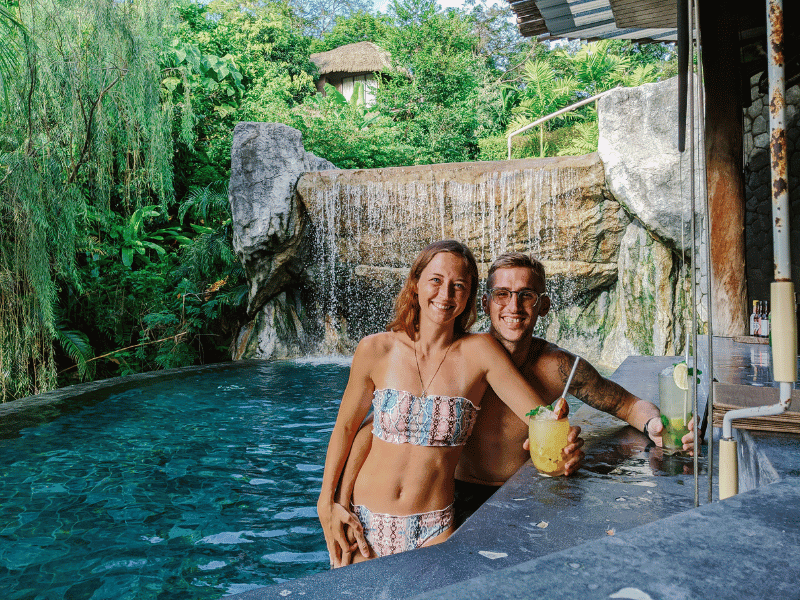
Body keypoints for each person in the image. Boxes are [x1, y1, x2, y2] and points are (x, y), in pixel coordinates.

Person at [316, 240, 581, 568]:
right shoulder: (375, 350)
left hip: (434, 528)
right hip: (364, 523)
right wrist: (328, 502)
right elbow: (348, 427)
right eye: (436, 280)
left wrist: (558, 429)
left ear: (470, 297)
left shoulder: (480, 352)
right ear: (416, 283)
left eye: (459, 286)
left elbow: (536, 413)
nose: (445, 294)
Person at [452, 252, 696, 521]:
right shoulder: (458, 358)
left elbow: (627, 405)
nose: (514, 306)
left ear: (543, 305)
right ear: (485, 303)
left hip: (529, 495)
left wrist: (655, 426)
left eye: (526, 295)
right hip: (459, 497)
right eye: (502, 294)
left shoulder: (559, 367)